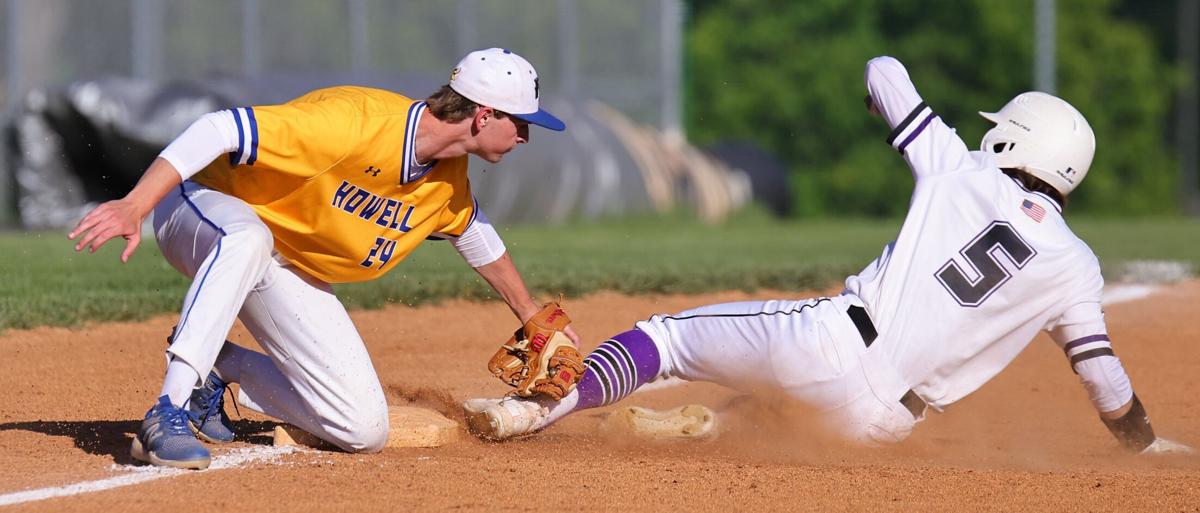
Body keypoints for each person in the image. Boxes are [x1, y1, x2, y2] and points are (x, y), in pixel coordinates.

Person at [463, 56, 1192, 455]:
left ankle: (538, 412)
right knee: (782, 405)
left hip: (832, 343)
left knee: (667, 338)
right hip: (882, 425)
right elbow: (1103, 376)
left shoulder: (961, 170)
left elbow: (882, 68)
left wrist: (888, 111)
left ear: (1013, 142)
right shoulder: (1076, 264)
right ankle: (715, 425)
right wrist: (1142, 441)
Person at [68, 48, 576, 470]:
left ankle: (220, 366)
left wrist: (530, 315)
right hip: (201, 208)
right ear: (484, 115)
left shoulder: (448, 176)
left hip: (283, 259)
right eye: (521, 123)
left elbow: (474, 233)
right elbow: (217, 129)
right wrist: (137, 204)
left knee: (362, 428)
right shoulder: (353, 123)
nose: (525, 137)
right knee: (248, 239)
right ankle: (168, 410)